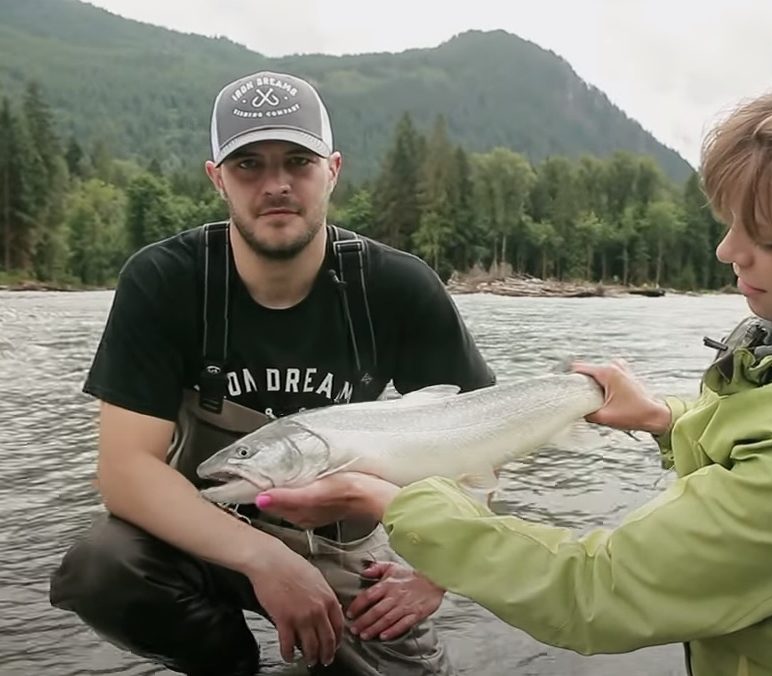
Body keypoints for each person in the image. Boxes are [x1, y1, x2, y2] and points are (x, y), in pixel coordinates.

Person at [285, 45, 772, 675]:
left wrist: (397, 501)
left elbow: (593, 594)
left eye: (768, 239)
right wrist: (664, 417)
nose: (729, 253)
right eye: (731, 225)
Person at [49, 70, 495, 676]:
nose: (276, 184)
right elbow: (125, 471)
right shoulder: (163, 282)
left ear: (333, 169)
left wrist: (441, 569)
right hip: (202, 532)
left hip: (344, 549)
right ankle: (231, 665)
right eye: (249, 165)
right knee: (103, 568)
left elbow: (484, 440)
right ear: (217, 178)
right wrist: (266, 559)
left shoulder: (397, 286)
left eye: (298, 161)